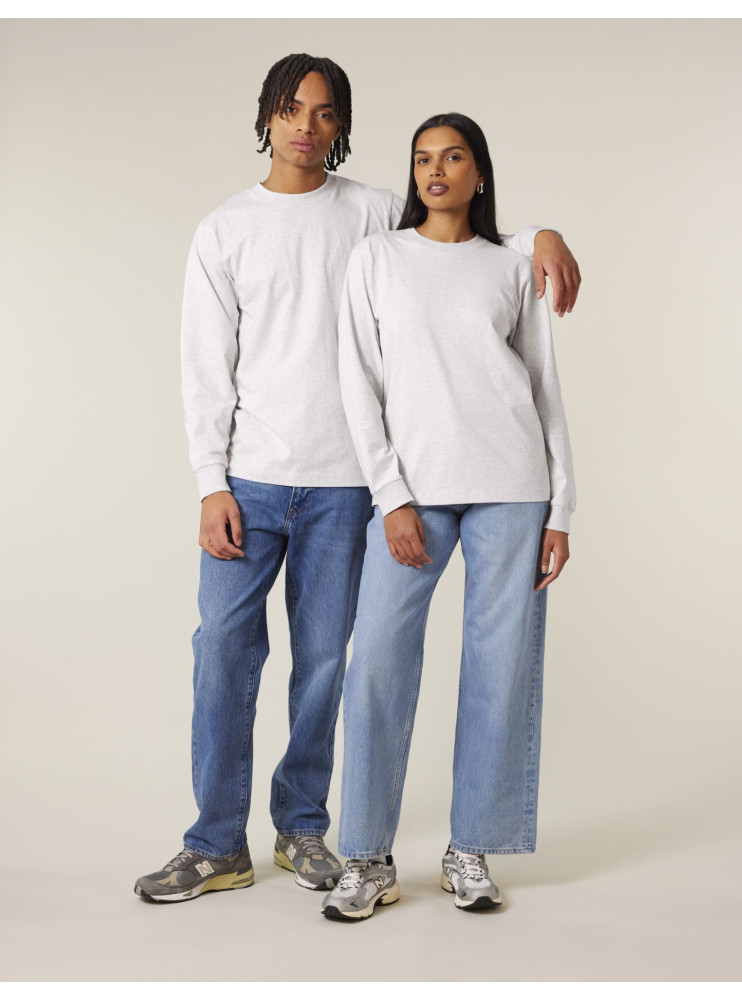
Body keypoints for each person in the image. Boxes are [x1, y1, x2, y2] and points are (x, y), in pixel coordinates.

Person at [133, 55, 581, 904]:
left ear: (341, 128)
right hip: (250, 479)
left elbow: (466, 236)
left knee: (324, 666)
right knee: (222, 651)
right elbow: (203, 367)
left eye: (324, 112)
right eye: (290, 109)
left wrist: (541, 236)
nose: (305, 125)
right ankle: (216, 842)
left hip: (350, 486)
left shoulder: (372, 213)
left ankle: (304, 827)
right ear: (266, 116)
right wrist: (208, 480)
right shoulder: (223, 229)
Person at [322, 112, 576, 920]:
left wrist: (561, 507)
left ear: (478, 173)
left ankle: (470, 849)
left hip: (512, 483)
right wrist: (391, 496)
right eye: (422, 159)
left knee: (499, 670)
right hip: (415, 491)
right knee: (377, 665)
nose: (435, 171)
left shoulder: (509, 266)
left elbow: (542, 385)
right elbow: (357, 381)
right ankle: (367, 856)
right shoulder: (377, 258)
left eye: (453, 157)